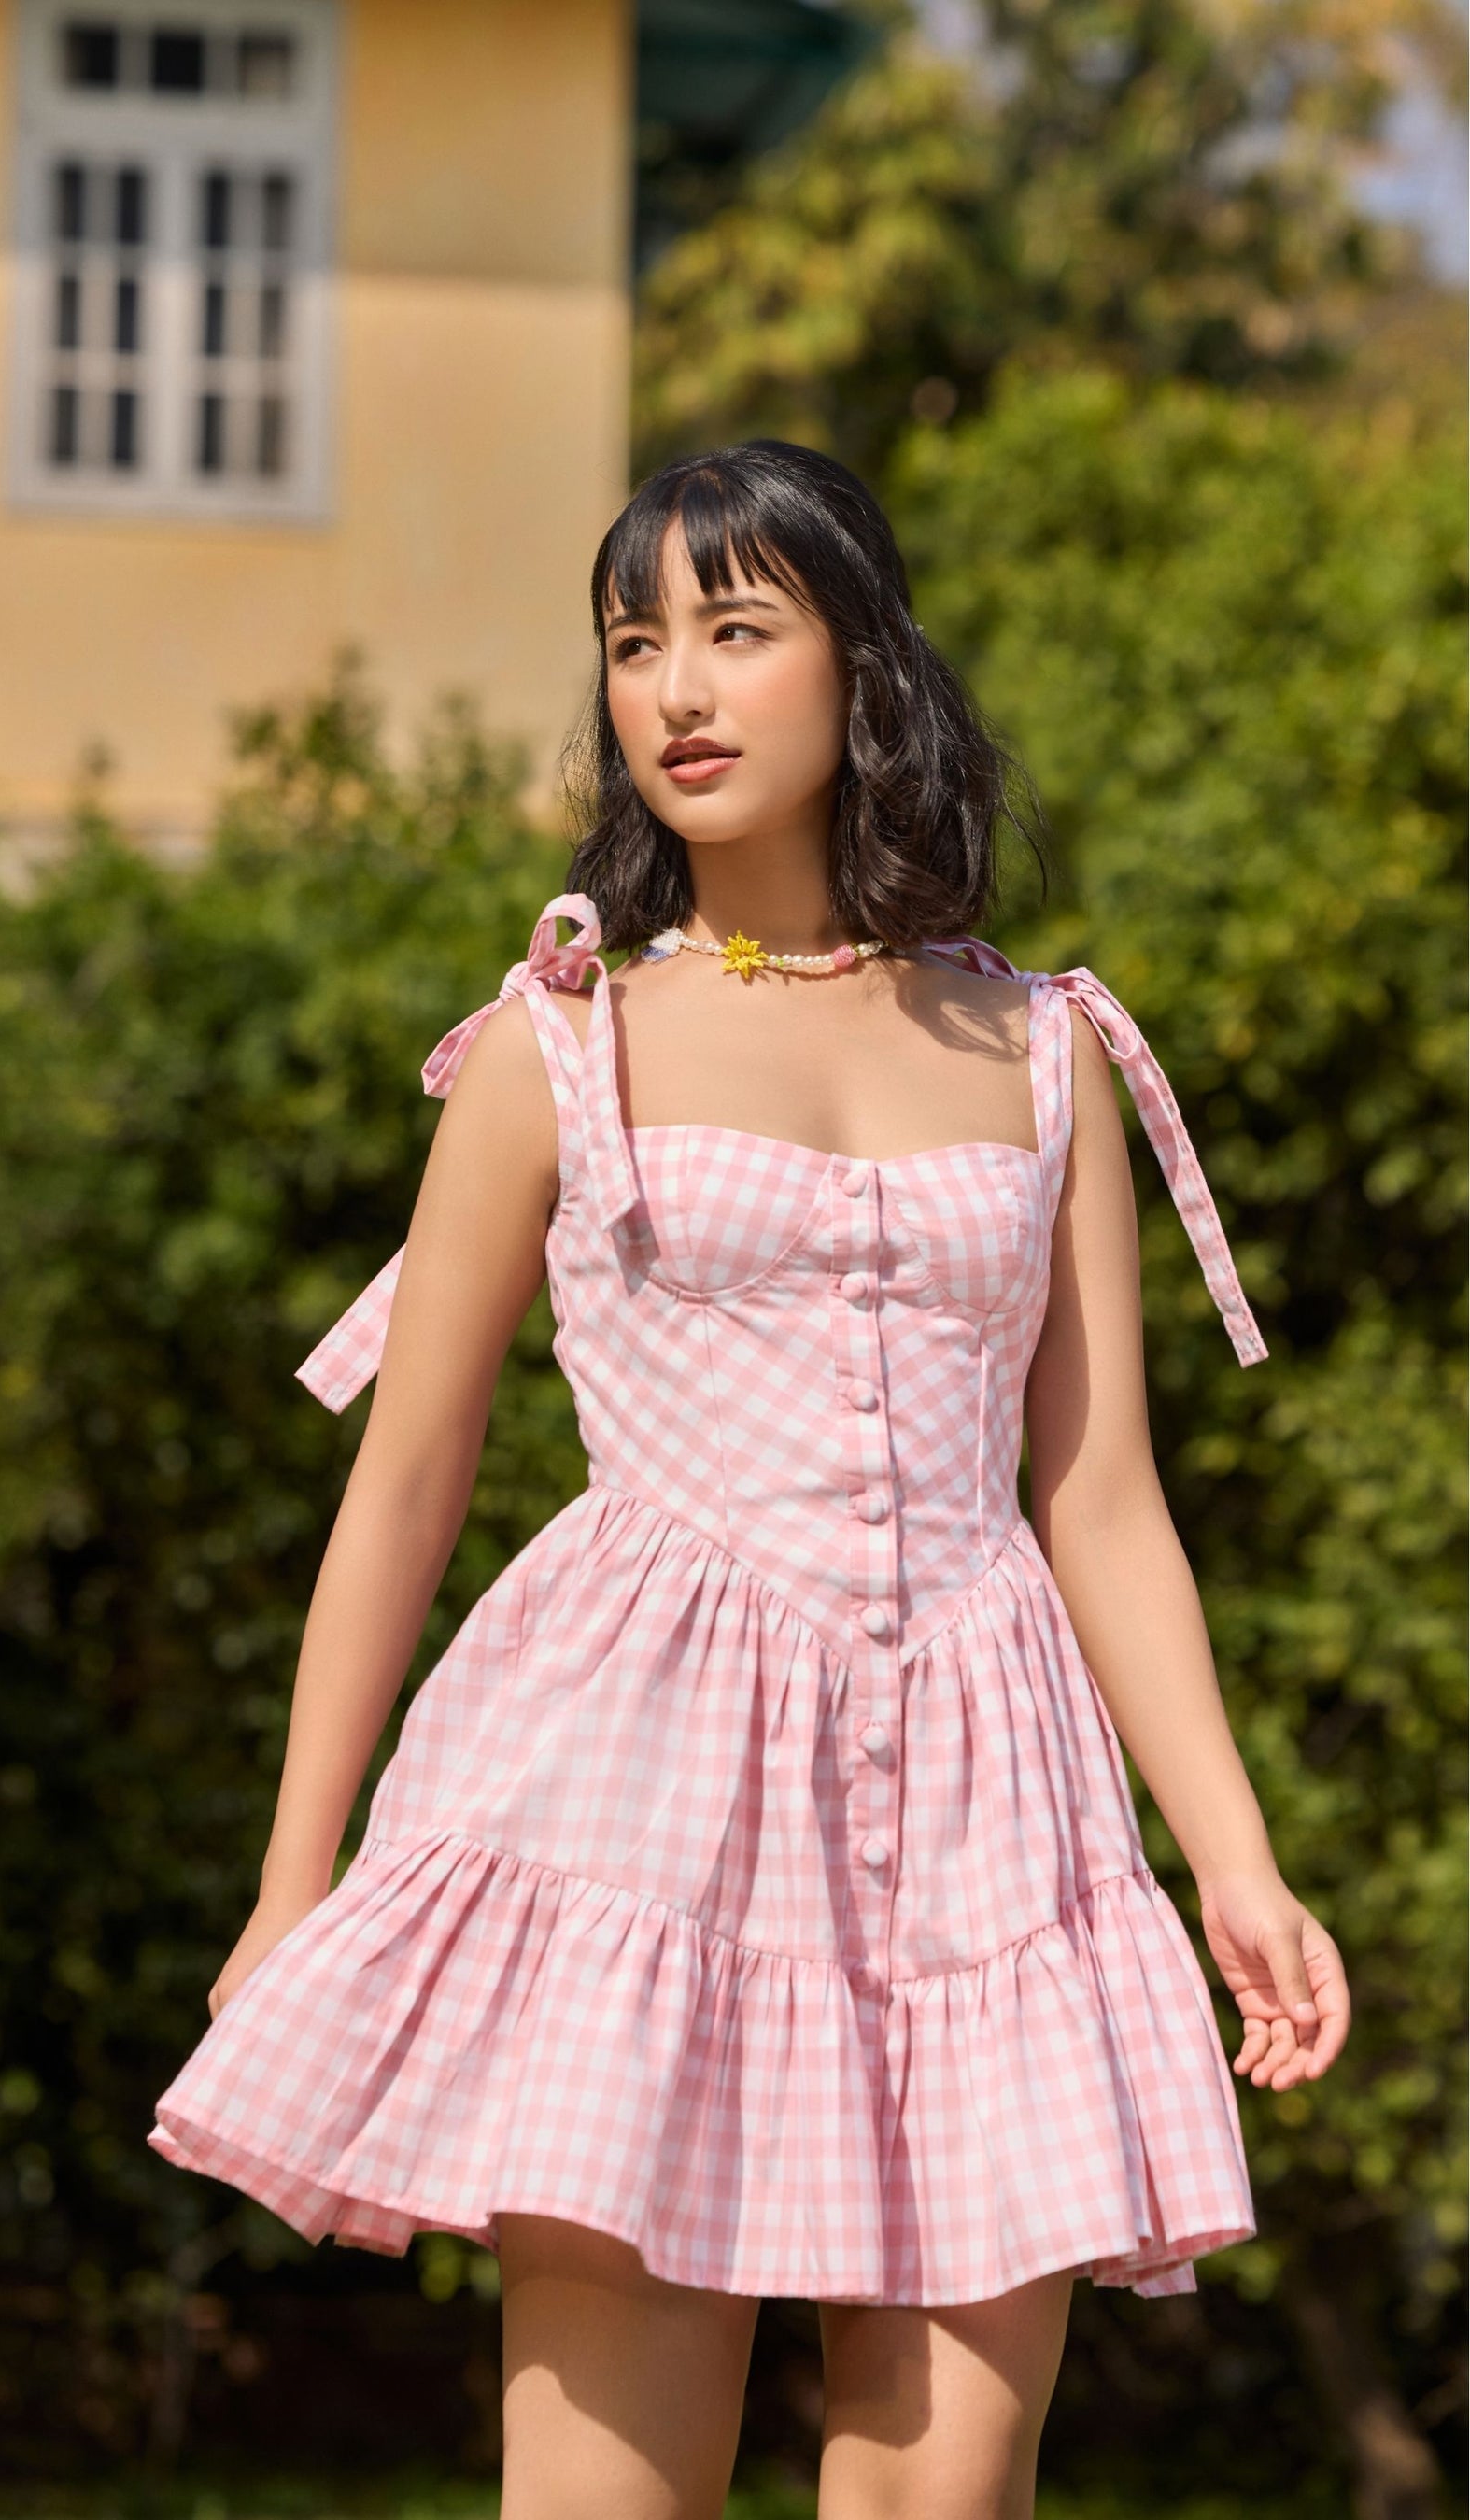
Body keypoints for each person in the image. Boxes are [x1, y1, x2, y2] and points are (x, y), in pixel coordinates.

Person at [151, 440, 1350, 2517]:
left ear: (862, 664)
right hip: (644, 1798)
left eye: (736, 627)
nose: (677, 689)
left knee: (943, 2501)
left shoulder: (1046, 1048)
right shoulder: (557, 1041)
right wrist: (292, 1875)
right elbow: (409, 1480)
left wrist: (1230, 1856)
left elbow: (1103, 1499)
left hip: (997, 1812)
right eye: (637, 643)